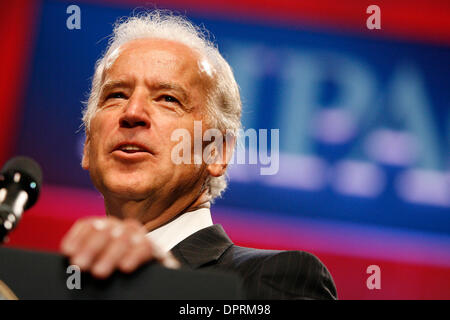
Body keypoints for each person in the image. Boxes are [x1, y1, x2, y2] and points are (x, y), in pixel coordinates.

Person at [60, 10, 337, 299]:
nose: (132, 113)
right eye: (116, 95)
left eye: (168, 99)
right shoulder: (50, 286)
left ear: (216, 151)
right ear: (89, 144)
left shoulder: (274, 280)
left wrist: (162, 282)